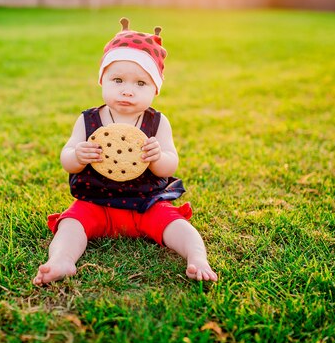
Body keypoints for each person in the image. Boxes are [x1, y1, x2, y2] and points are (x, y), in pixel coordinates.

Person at [33, 18, 217, 285]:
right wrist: (77, 155)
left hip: (146, 206)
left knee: (179, 227)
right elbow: (67, 159)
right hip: (96, 203)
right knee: (71, 224)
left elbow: (170, 165)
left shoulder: (157, 122)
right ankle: (61, 261)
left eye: (140, 84)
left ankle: (198, 258)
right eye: (117, 80)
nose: (128, 91)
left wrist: (158, 158)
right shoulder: (88, 120)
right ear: (102, 80)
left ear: (155, 88)